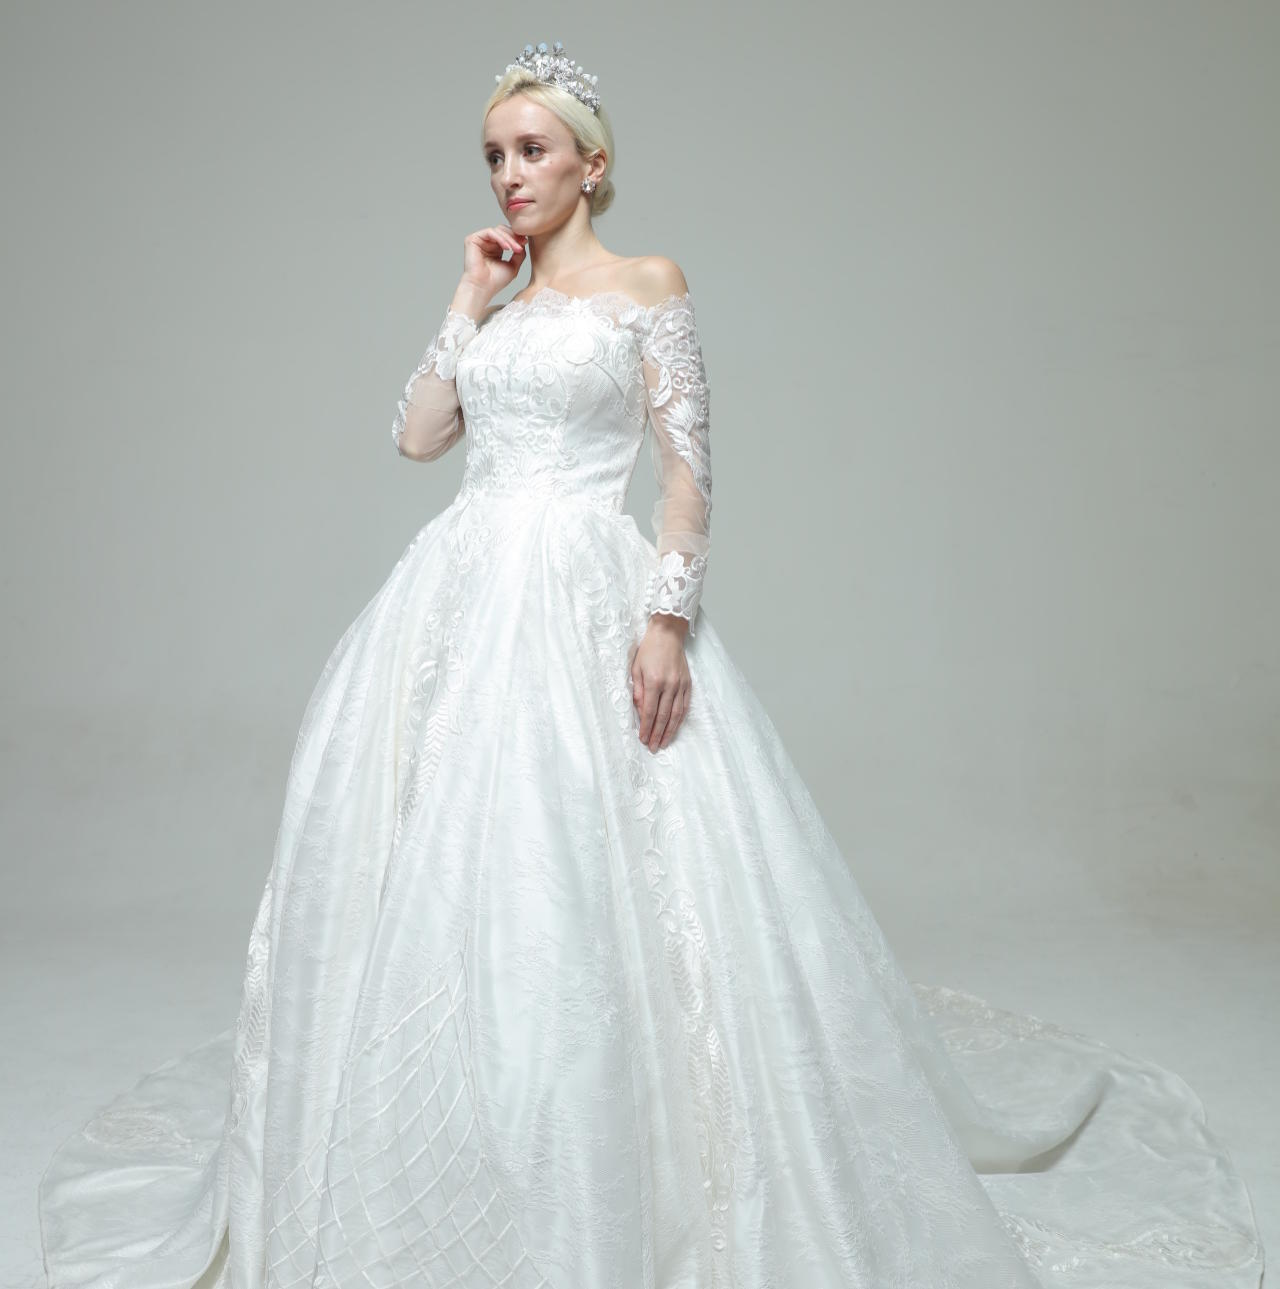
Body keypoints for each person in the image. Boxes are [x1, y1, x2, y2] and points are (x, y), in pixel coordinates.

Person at [37, 39, 1263, 1289]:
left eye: (531, 150)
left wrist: (665, 619)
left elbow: (686, 472)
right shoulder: (497, 309)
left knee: (576, 872)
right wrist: (465, 295)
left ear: (591, 162)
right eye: (493, 155)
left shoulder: (646, 284)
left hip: (583, 589)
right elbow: (415, 437)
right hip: (455, 594)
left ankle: (608, 1153)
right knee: (443, 867)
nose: (509, 174)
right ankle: (451, 1140)